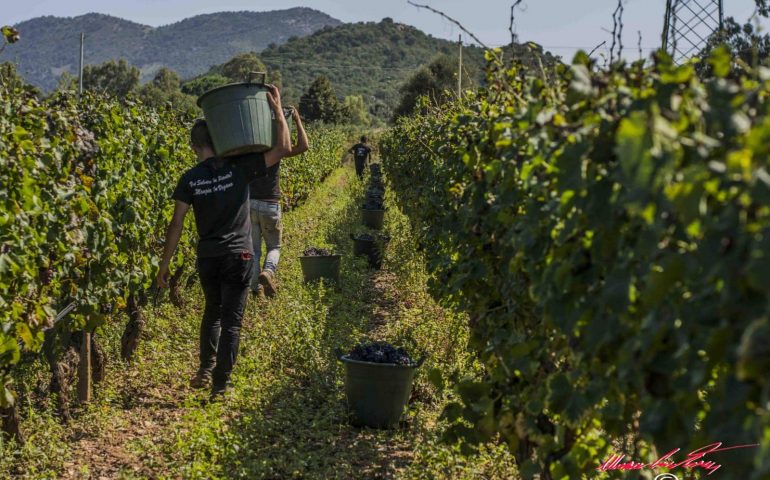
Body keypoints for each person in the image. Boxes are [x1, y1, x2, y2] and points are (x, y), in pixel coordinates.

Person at [156, 85, 291, 400]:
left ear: (195, 147)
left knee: (212, 312)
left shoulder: (190, 179)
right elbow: (284, 147)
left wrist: (164, 265)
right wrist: (276, 107)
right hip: (239, 256)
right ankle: (220, 386)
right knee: (232, 320)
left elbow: (176, 223)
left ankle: (205, 369)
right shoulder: (240, 168)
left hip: (209, 257)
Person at [249, 107, 309, 298]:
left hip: (249, 205)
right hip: (270, 205)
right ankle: (268, 272)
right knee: (274, 247)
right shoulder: (276, 151)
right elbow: (303, 146)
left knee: (254, 250)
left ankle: (254, 289)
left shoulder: (245, 152)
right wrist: (297, 120)